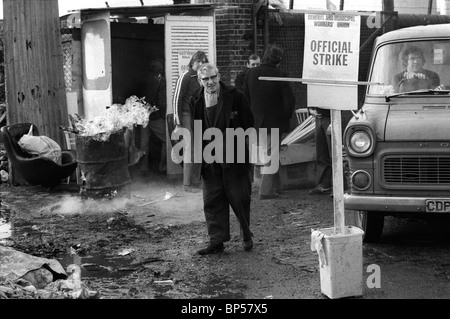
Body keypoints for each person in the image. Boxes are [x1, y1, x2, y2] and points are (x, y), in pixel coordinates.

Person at [191, 63, 255, 255]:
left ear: (219, 76)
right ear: (199, 81)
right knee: (212, 199)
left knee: (239, 197)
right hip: (209, 157)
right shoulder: (195, 99)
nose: (210, 82)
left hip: (234, 156)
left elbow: (248, 123)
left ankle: (246, 235)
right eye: (205, 79)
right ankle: (216, 241)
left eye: (213, 77)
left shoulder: (236, 96)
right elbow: (197, 128)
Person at [244, 44, 295, 200]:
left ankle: (271, 186)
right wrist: (284, 118)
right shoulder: (280, 75)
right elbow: (289, 102)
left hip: (256, 121)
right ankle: (266, 191)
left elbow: (245, 97)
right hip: (274, 121)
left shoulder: (251, 73)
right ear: (278, 59)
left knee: (264, 153)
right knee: (271, 155)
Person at [172, 51, 208, 192]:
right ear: (192, 62)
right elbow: (177, 99)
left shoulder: (203, 78)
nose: (200, 64)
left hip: (199, 116)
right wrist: (177, 121)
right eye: (198, 61)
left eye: (203, 62)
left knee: (199, 148)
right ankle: (187, 184)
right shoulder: (185, 77)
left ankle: (196, 180)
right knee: (189, 148)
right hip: (187, 115)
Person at [139, 58, 167, 175]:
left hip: (143, 114)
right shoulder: (160, 80)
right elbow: (161, 100)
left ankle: (143, 168)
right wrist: (162, 113)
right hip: (154, 116)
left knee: (144, 142)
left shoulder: (145, 79)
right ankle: (164, 167)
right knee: (167, 139)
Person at [308, 107, 332, 195]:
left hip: (331, 116)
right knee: (322, 152)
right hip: (320, 116)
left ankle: (339, 186)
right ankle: (326, 184)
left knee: (333, 152)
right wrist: (310, 109)